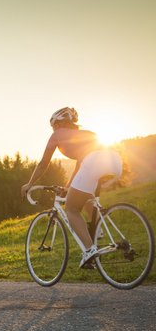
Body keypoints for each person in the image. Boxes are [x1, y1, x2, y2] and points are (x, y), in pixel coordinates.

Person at [20, 107, 122, 268]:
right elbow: (81, 166)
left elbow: (43, 163)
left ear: (59, 124)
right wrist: (68, 187)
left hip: (94, 162)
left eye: (53, 126)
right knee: (86, 196)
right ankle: (98, 230)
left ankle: (89, 250)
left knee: (71, 208)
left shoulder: (58, 134)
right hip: (115, 161)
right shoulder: (83, 135)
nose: (53, 129)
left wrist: (30, 183)